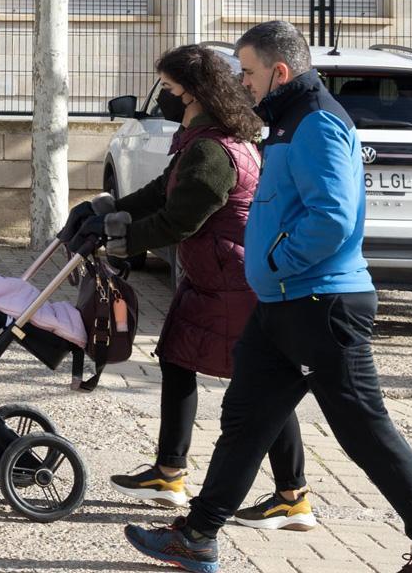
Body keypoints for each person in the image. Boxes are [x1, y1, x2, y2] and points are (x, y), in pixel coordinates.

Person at [124, 21, 412, 573]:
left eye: (249, 71)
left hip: (320, 304)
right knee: (245, 420)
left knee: (364, 431)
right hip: (284, 304)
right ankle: (196, 536)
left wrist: (275, 263)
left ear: (280, 72)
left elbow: (331, 218)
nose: (242, 83)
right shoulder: (287, 123)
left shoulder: (315, 124)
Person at [73, 45, 312, 530]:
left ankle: (292, 496)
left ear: (195, 93)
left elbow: (180, 219)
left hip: (233, 282)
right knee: (178, 360)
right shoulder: (201, 138)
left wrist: (122, 239)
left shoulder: (212, 149)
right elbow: (164, 189)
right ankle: (169, 472)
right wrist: (107, 209)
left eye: (170, 89)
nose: (164, 97)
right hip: (211, 278)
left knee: (262, 388)